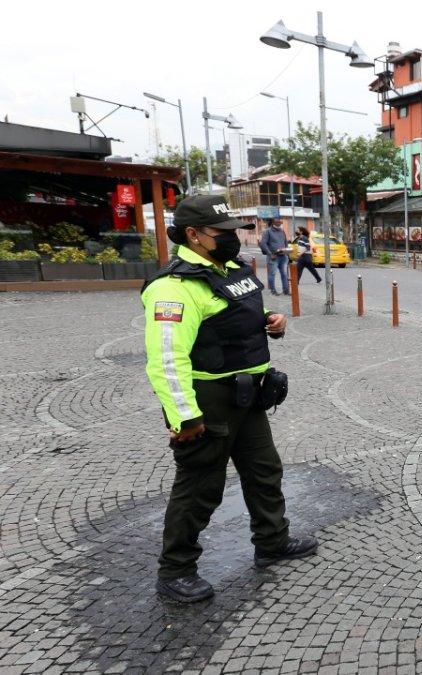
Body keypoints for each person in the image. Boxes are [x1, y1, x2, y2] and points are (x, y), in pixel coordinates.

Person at [142, 195, 318, 603]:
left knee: (264, 470)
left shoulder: (230, 270)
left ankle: (272, 541)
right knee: (201, 485)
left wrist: (271, 322)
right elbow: (167, 359)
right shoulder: (175, 287)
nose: (231, 239)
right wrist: (186, 417)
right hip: (209, 399)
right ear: (192, 235)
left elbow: (233, 318)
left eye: (233, 232)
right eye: (222, 234)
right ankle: (175, 571)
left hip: (248, 395)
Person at [258, 219, 290, 295]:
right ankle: (273, 290)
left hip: (283, 256)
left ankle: (286, 290)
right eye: (278, 221)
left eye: (280, 222)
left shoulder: (282, 231)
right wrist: (270, 254)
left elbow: (285, 243)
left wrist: (287, 253)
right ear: (273, 222)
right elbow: (263, 244)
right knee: (272, 274)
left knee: (284, 274)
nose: (280, 223)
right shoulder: (267, 231)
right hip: (273, 257)